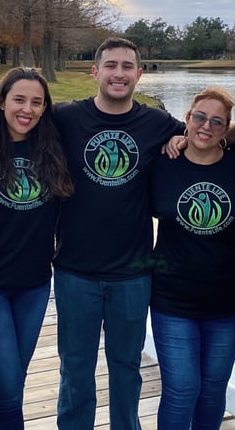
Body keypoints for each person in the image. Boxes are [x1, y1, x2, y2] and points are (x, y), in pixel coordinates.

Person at [53, 37, 186, 429]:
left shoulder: (157, 123)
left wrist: (185, 138)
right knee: (75, 368)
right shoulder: (67, 118)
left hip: (133, 271)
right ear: (95, 72)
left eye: (128, 66)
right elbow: (13, 121)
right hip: (75, 269)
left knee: (126, 367)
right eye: (111, 65)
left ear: (139, 74)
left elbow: (206, 136)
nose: (119, 73)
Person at [0, 67, 73, 429]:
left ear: (45, 108)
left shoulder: (55, 145)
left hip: (34, 285)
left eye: (36, 102)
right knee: (9, 385)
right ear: (1, 103)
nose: (27, 109)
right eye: (19, 100)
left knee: (9, 384)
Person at [150, 87, 235, 430]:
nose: (207, 126)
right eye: (200, 117)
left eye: (217, 122)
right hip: (172, 299)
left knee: (212, 389)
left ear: (226, 129)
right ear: (186, 119)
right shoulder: (162, 162)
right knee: (181, 387)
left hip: (228, 303)